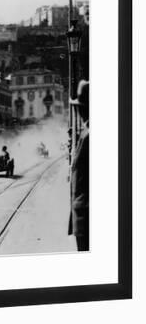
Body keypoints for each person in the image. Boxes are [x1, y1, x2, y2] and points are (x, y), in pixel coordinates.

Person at [68, 80, 89, 251]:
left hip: (87, 219)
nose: (79, 110)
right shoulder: (86, 132)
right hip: (82, 217)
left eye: (81, 106)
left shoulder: (89, 135)